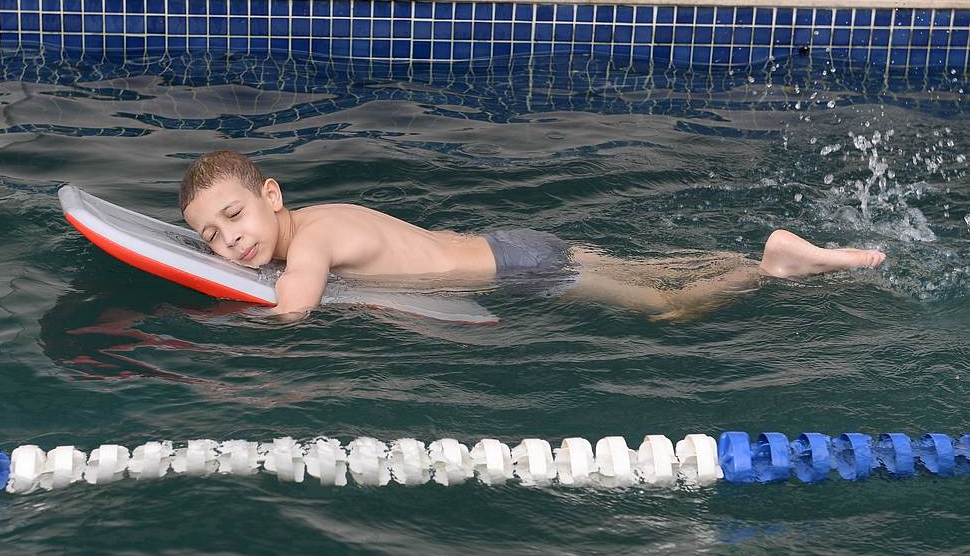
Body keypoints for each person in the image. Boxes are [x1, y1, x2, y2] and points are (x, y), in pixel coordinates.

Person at [180, 150, 886, 320]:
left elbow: (295, 308)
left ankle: (769, 269)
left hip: (522, 271)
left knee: (669, 308)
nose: (228, 243)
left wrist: (217, 321)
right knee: (653, 268)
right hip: (513, 242)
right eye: (209, 237)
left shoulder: (308, 245)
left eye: (234, 216)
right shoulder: (321, 217)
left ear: (271, 196)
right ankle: (748, 255)